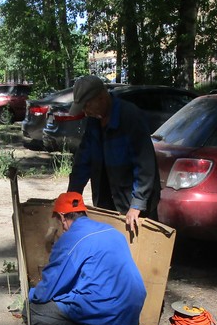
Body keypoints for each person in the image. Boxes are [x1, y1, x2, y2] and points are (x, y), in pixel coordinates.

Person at [25, 192, 147, 325]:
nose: (61, 227)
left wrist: (30, 295)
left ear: (62, 217)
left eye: (59, 222)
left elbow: (48, 288)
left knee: (31, 311)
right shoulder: (111, 231)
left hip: (106, 306)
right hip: (132, 305)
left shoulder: (71, 239)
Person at [67, 75, 161, 236]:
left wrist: (137, 205)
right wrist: (71, 198)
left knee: (137, 256)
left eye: (87, 106)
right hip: (106, 202)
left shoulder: (130, 117)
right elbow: (83, 161)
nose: (85, 112)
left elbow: (145, 165)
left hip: (134, 204)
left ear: (101, 97)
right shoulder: (93, 122)